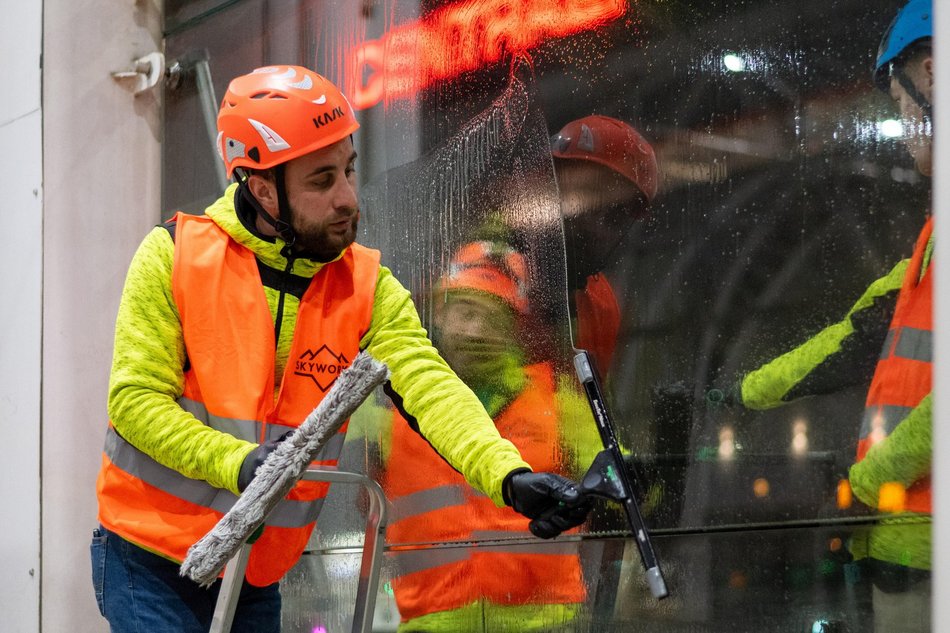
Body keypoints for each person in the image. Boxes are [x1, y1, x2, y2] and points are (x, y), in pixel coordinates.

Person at [90, 65, 592, 633]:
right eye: (322, 180)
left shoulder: (365, 286)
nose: (347, 198)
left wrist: (510, 476)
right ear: (261, 188)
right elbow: (134, 402)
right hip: (149, 554)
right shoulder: (173, 256)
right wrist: (241, 463)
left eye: (349, 170)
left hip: (254, 568)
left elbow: (431, 387)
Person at [720, 2, 933, 630]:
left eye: (901, 108)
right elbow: (849, 339)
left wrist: (864, 487)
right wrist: (739, 394)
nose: (904, 127)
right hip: (904, 548)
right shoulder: (931, 243)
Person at [376, 240, 591, 632]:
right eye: (464, 312)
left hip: (544, 623)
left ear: (513, 326)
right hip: (430, 621)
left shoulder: (558, 402)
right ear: (438, 315)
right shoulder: (386, 415)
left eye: (492, 317)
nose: (475, 331)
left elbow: (619, 480)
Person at [550, 115, 658, 375]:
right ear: (551, 183)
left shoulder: (602, 306)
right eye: (591, 196)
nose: (598, 226)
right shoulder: (489, 268)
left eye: (616, 215)